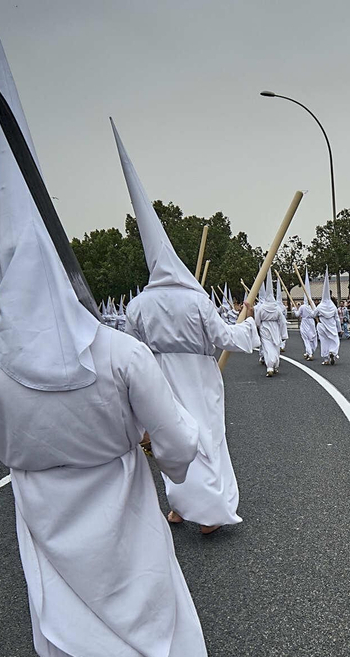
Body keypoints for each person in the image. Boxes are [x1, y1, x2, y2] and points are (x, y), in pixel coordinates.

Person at [0, 31, 221, 657]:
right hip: (125, 524)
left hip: (45, 526)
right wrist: (150, 445)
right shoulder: (119, 356)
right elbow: (178, 447)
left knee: (90, 655)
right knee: (155, 654)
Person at [115, 121, 259, 535]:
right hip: (199, 374)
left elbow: (129, 352)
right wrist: (245, 321)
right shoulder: (196, 301)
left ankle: (179, 506)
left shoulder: (138, 305)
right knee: (208, 440)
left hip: (157, 377)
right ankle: (209, 511)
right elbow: (226, 339)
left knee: (170, 440)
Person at [253, 273, 286, 376]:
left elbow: (257, 320)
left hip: (265, 328)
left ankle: (270, 366)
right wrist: (283, 334)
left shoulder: (262, 308)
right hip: (275, 328)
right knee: (276, 346)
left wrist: (258, 328)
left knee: (267, 347)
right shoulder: (277, 309)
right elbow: (282, 322)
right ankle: (274, 365)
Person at [316, 283, 341, 364]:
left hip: (322, 325)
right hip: (331, 325)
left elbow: (313, 314)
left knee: (324, 341)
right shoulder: (333, 306)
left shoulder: (320, 306)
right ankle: (332, 352)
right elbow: (337, 318)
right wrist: (339, 329)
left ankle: (326, 359)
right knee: (334, 340)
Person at [297, 277, 319, 360]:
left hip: (305, 322)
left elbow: (297, 314)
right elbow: (314, 314)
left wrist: (295, 309)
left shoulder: (302, 307)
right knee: (312, 337)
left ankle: (309, 353)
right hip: (311, 322)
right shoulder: (312, 306)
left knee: (306, 338)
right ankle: (309, 351)